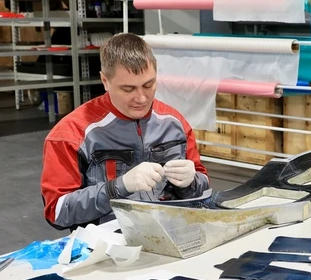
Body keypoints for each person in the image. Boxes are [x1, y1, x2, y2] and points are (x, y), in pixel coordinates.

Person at [41, 33, 209, 230]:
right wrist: (118, 187)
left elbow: (203, 186)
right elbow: (57, 212)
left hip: (172, 234)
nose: (141, 98)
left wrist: (191, 182)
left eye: (148, 85)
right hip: (108, 244)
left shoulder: (175, 124)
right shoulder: (70, 134)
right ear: (105, 81)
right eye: (128, 89)